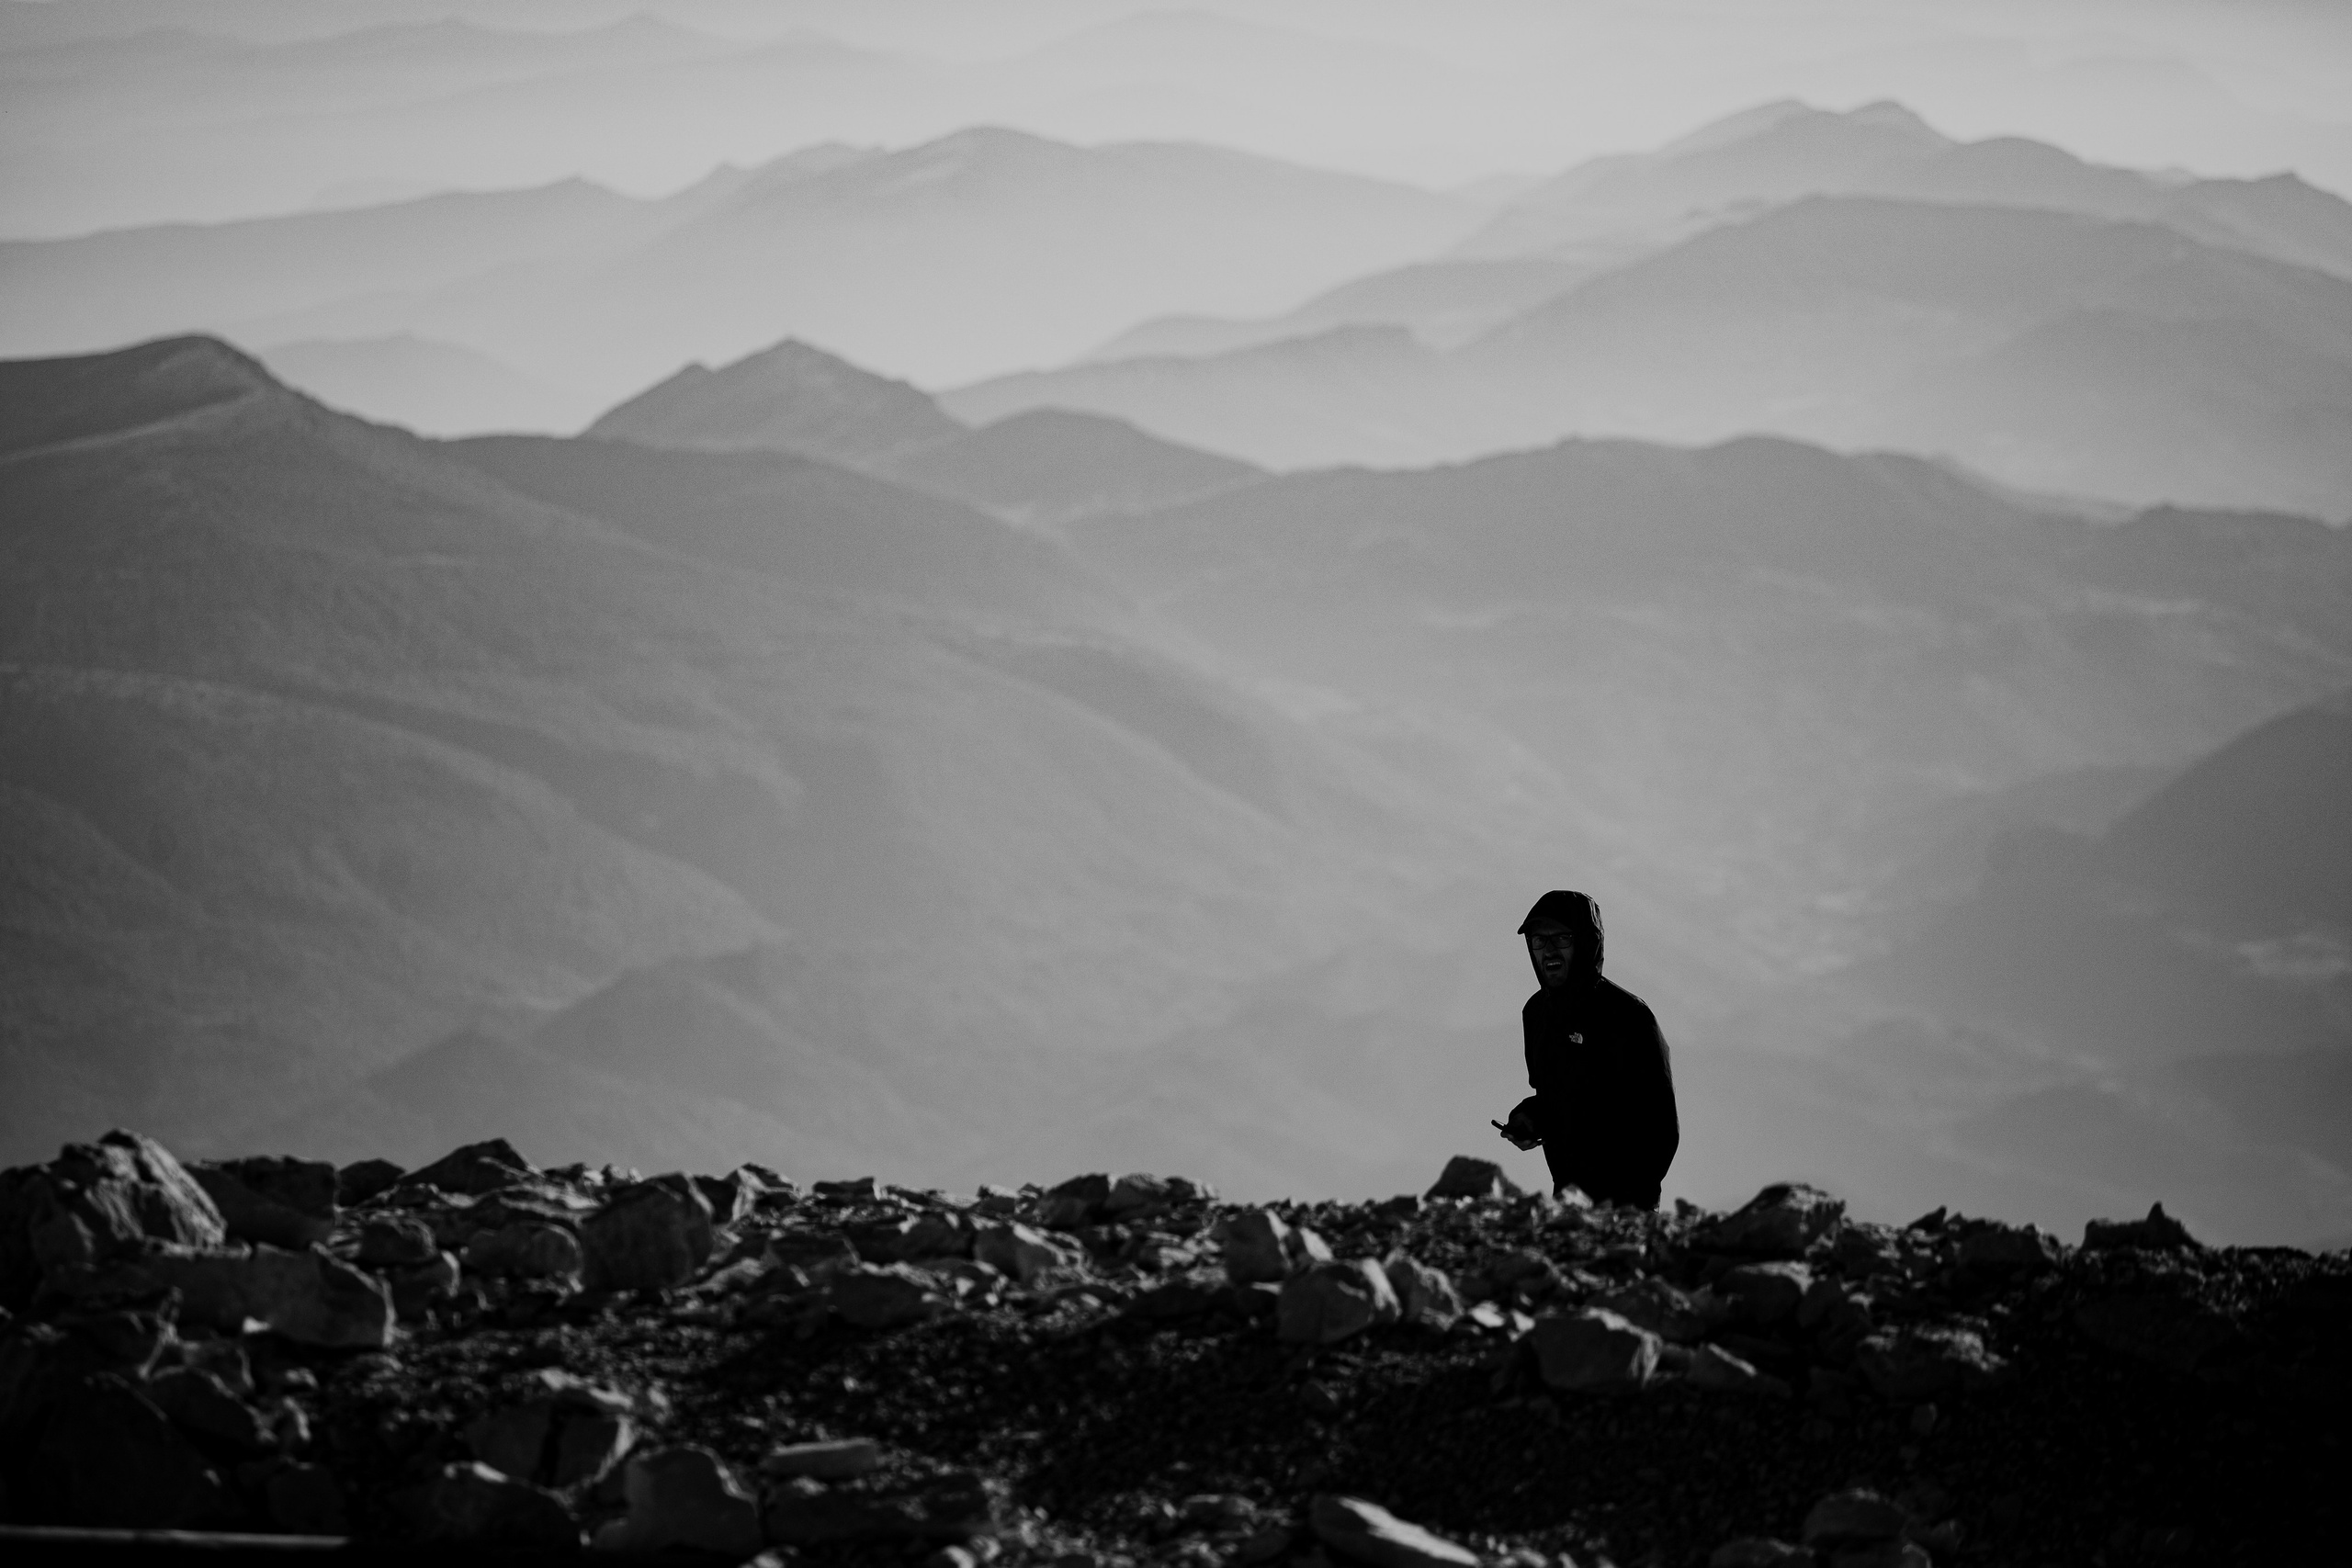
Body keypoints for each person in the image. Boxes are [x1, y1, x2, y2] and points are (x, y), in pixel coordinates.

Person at [1493, 889, 1679, 1207]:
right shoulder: (1536, 1014)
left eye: (1561, 938)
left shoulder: (1629, 1017)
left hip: (1626, 1209)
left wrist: (1626, 1208)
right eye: (1539, 940)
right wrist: (1530, 1118)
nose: (1548, 949)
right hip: (1568, 1203)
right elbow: (1559, 1097)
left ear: (1586, 942)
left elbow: (1661, 1130)